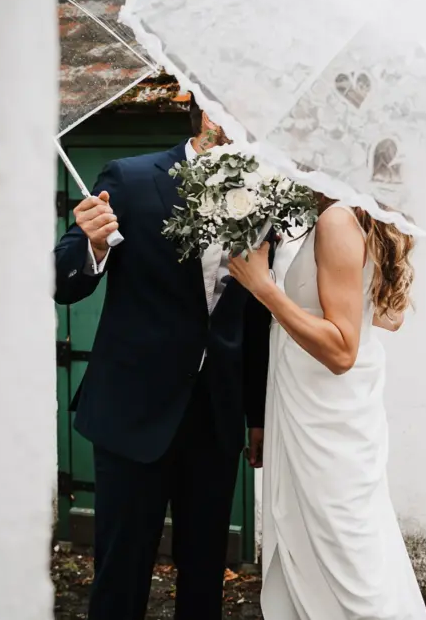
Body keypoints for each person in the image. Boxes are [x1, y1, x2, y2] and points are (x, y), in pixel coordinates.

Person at [53, 101, 271, 620]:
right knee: (121, 571)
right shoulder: (129, 178)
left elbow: (255, 317)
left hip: (214, 417)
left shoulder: (266, 194)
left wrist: (257, 414)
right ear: (199, 105)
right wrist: (91, 243)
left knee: (204, 575)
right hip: (132, 411)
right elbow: (61, 284)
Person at [228, 198, 426, 619]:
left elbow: (341, 351)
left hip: (325, 416)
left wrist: (264, 288)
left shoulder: (337, 220)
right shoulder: (356, 215)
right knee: (330, 542)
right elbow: (388, 317)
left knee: (342, 554)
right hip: (310, 402)